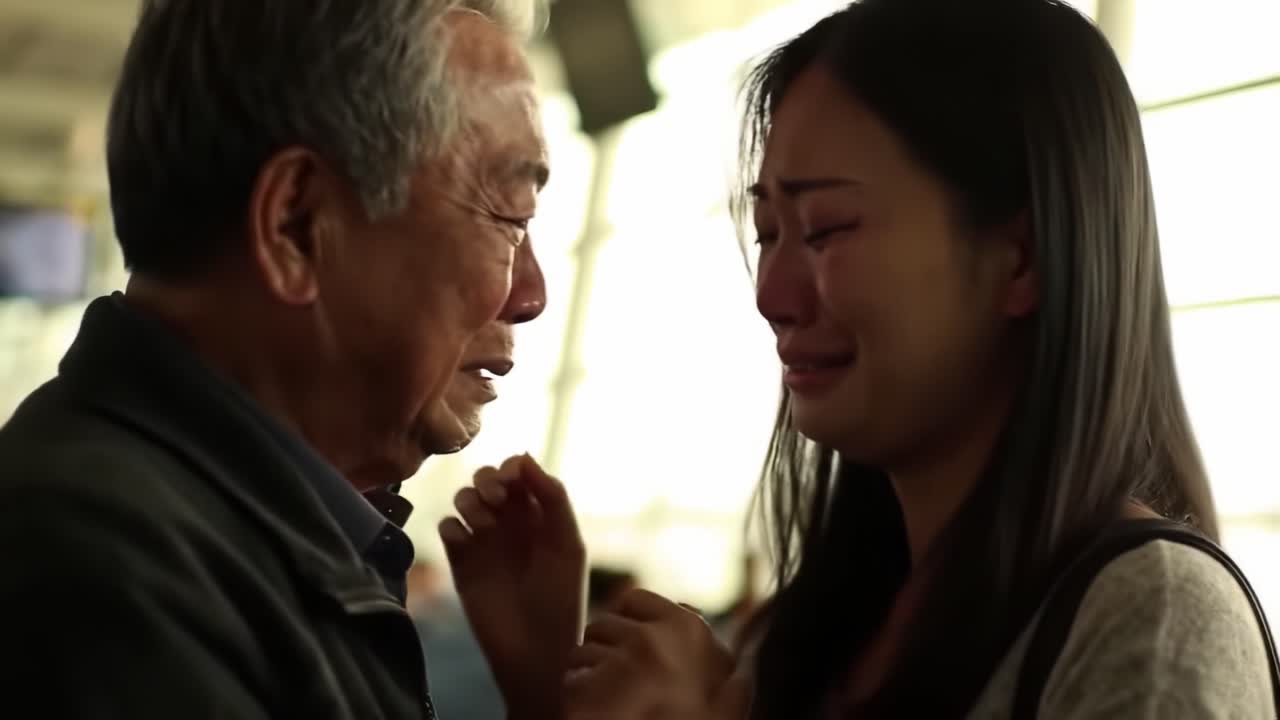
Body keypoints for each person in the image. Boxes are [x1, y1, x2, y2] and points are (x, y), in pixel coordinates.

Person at [443, 1, 1278, 718]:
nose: (773, 294)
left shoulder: (1151, 614)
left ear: (1021, 258)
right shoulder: (816, 630)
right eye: (768, 234)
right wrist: (545, 689)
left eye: (828, 230)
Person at [0, 1, 587, 718]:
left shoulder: (217, 542)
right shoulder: (105, 580)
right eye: (510, 218)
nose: (530, 295)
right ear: (296, 225)